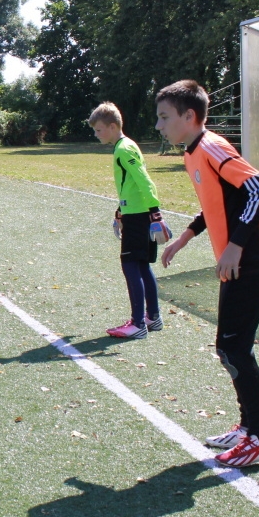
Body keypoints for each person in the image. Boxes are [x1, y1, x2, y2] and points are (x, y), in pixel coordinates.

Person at [157, 80, 259, 467]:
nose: (159, 126)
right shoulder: (193, 152)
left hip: (253, 260)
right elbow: (217, 202)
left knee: (234, 349)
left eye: (164, 117)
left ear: (189, 116)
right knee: (229, 348)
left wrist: (236, 245)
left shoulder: (212, 146)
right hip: (237, 261)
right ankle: (248, 429)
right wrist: (184, 238)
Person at [89, 102, 171, 339]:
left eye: (99, 130)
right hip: (135, 212)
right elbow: (131, 186)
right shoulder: (126, 146)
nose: (97, 134)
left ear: (112, 127)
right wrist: (120, 210)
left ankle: (137, 324)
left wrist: (155, 212)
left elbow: (144, 180)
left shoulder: (123, 149)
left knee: (130, 265)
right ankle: (153, 317)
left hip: (139, 217)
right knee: (142, 265)